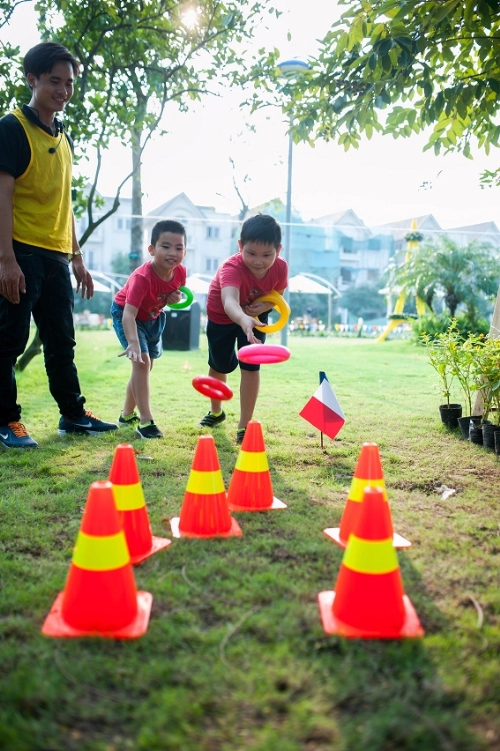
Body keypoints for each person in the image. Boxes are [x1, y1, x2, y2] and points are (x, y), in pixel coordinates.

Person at [0, 42, 118, 449]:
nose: (64, 90)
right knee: (8, 343)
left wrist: (78, 257)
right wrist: (6, 260)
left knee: (62, 341)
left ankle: (72, 413)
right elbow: (3, 196)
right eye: (55, 81)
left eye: (69, 83)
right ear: (32, 80)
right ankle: (7, 421)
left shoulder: (63, 136)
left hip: (55, 257)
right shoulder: (12, 128)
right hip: (20, 254)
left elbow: (63, 201)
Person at [200, 214, 287, 443]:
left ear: (278, 250)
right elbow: (229, 301)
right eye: (251, 254)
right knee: (220, 365)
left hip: (256, 315)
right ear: (240, 246)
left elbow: (278, 295)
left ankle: (244, 425)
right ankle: (216, 412)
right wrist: (242, 319)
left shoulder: (280, 268)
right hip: (223, 315)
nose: (258, 261)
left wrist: (265, 305)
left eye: (267, 255)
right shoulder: (231, 267)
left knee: (251, 366)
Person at [111, 220, 187, 439]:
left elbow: (171, 295)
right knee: (141, 363)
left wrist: (175, 297)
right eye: (165, 246)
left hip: (153, 317)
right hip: (127, 316)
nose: (172, 252)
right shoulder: (142, 278)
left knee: (145, 366)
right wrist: (133, 342)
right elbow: (128, 314)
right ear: (152, 249)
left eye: (179, 247)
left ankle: (126, 415)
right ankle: (146, 422)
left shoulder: (180, 272)